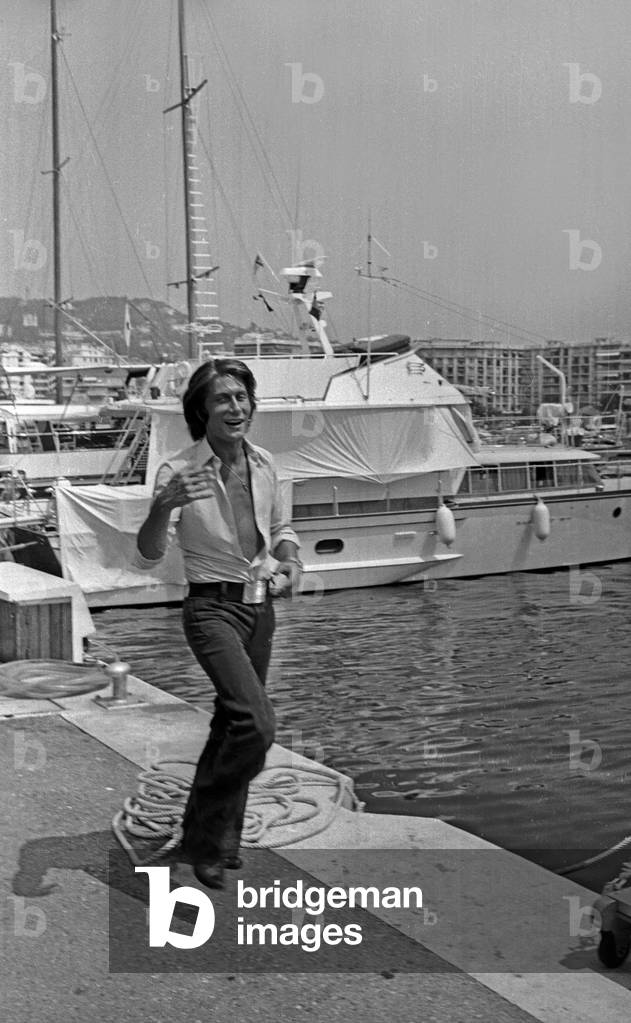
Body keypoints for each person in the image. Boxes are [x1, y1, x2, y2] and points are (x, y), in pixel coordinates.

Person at [136, 359, 302, 890]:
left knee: (231, 723)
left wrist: (292, 562)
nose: (236, 408)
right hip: (209, 609)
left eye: (242, 397)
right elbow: (147, 552)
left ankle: (221, 843)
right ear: (201, 411)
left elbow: (282, 529)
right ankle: (201, 837)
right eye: (222, 399)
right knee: (257, 724)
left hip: (260, 608)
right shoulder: (178, 471)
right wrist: (162, 508)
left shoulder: (267, 463)